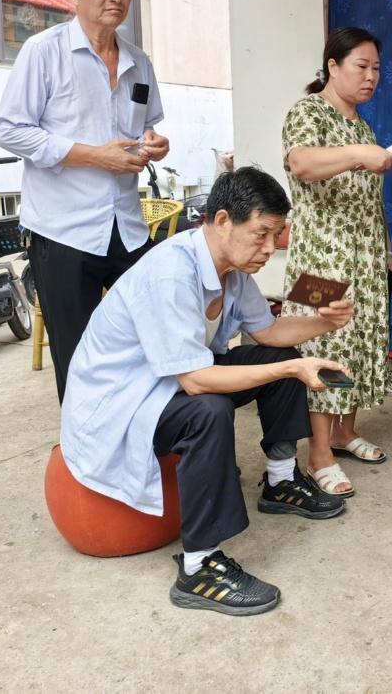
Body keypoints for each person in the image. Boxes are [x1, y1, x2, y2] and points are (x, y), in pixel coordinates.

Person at [61, 167, 351, 615]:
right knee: (209, 409)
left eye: (275, 235)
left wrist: (324, 323)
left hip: (166, 384)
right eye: (261, 234)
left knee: (277, 358)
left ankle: (280, 481)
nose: (270, 248)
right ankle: (199, 566)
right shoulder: (171, 272)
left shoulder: (233, 272)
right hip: (122, 403)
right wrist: (294, 368)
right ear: (221, 221)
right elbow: (196, 381)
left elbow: (269, 332)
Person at [0, 0, 169, 402]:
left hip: (127, 226)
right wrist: (95, 156)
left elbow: (147, 127)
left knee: (158, 331)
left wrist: (156, 144)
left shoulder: (139, 62)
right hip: (63, 231)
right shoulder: (43, 51)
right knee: (78, 357)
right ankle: (85, 442)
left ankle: (149, 428)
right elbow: (10, 130)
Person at [282, 27, 392, 498]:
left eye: (377, 68)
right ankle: (318, 453)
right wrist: (358, 155)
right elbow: (302, 164)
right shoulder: (308, 112)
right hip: (321, 257)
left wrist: (386, 253)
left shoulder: (363, 127)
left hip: (365, 257)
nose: (371, 76)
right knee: (326, 346)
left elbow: (371, 202)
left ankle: (344, 431)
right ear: (332, 66)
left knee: (360, 342)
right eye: (361, 66)